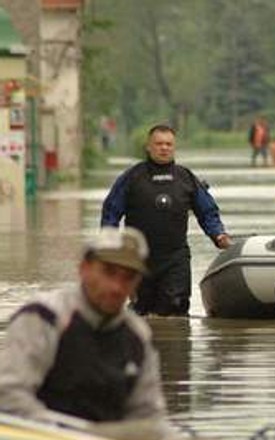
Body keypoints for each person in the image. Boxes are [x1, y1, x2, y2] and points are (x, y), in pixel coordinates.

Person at [0, 227, 171, 431]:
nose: (117, 287)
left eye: (129, 277)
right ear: (84, 268)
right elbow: (8, 394)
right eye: (109, 272)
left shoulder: (138, 336)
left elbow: (149, 416)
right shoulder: (44, 318)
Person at [101, 124, 232, 317]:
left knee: (175, 313)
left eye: (169, 144)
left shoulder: (185, 177)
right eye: (159, 144)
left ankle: (176, 345)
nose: (164, 148)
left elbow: (207, 212)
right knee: (141, 313)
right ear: (148, 147)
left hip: (175, 259)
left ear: (174, 147)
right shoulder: (132, 178)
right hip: (139, 260)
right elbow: (111, 212)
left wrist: (218, 235)